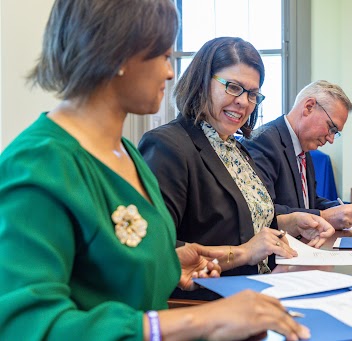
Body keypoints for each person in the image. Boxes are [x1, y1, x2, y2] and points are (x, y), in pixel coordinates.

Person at [0, 1, 310, 340]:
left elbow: (111, 269)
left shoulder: (127, 154)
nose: (170, 72)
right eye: (163, 56)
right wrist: (202, 320)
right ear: (116, 54)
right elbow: (23, 327)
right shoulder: (39, 164)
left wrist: (171, 264)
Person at [139, 37, 334, 300]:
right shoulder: (168, 146)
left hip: (262, 288)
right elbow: (155, 248)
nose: (244, 102)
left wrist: (289, 222)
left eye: (252, 94)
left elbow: (239, 219)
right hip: (207, 303)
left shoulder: (235, 147)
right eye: (233, 87)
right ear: (201, 82)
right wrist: (239, 253)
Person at [241, 80, 352, 230]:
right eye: (331, 128)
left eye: (335, 133)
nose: (331, 139)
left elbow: (309, 204)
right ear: (309, 107)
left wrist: (350, 210)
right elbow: (263, 212)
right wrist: (324, 217)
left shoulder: (302, 148)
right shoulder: (263, 141)